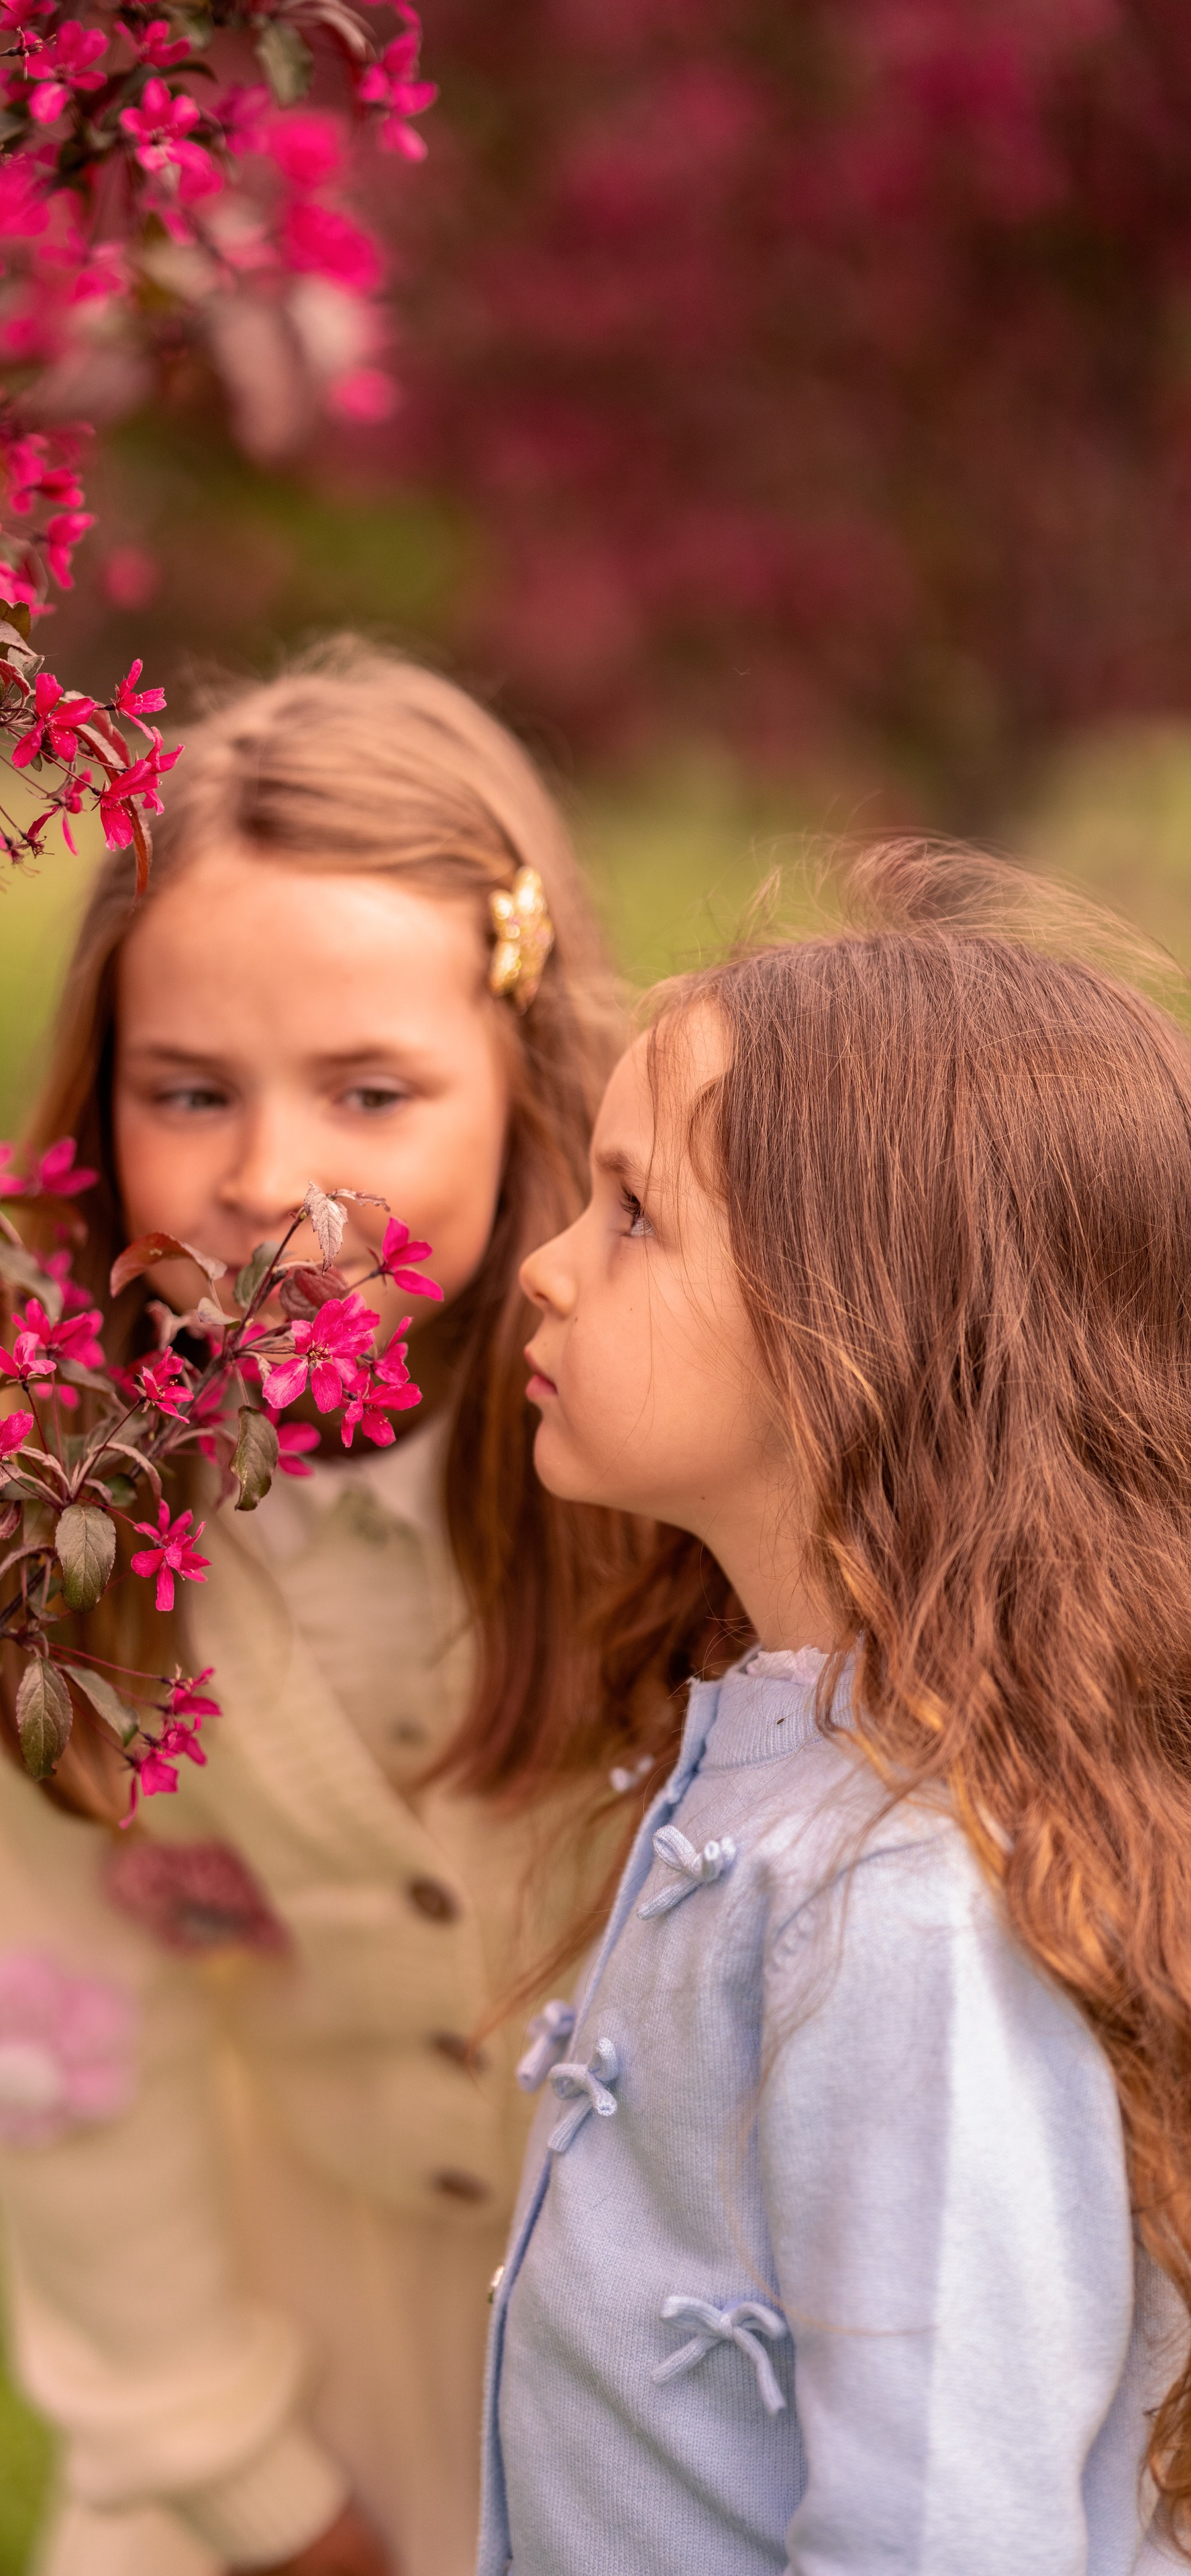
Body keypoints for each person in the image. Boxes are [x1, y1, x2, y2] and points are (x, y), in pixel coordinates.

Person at [0, 641, 693, 2576]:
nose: (274, 1182)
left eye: (370, 1090)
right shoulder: (38, 1505)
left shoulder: (681, 1448)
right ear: (103, 1111)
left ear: (525, 1083)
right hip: (292, 2341)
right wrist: (242, 2473)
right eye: (191, 1092)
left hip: (687, 2340)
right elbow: (63, 2010)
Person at [482, 842, 1191, 2575]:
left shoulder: (908, 1912)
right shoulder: (780, 1769)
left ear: (857, 1326)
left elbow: (943, 2533)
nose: (547, 1270)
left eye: (636, 1215)